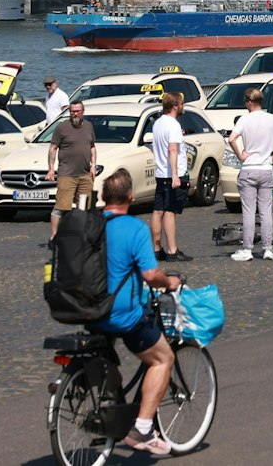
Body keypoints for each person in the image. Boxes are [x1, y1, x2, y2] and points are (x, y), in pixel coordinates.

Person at [97, 168, 183, 457]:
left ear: (102, 197)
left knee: (107, 359)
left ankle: (112, 402)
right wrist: (169, 281)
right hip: (121, 314)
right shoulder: (134, 229)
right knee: (163, 359)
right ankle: (143, 428)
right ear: (131, 198)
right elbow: (149, 274)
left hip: (87, 311)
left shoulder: (90, 226)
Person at [228, 86, 273, 260]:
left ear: (250, 102)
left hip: (249, 168)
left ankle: (248, 249)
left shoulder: (244, 120)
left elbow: (231, 139)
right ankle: (267, 248)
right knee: (266, 211)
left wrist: (240, 155)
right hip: (266, 169)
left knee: (249, 211)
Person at [148, 92, 191, 262]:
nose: (183, 106)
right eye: (182, 103)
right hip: (173, 174)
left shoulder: (158, 123)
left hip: (160, 173)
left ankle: (156, 249)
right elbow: (172, 149)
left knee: (158, 211)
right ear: (175, 106)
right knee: (170, 211)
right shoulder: (172, 124)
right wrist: (175, 175)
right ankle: (173, 250)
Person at [47, 99, 99, 239]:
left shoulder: (88, 126)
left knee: (84, 208)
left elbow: (92, 147)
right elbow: (53, 148)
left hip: (85, 175)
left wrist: (93, 166)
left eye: (78, 111)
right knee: (61, 207)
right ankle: (54, 237)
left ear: (83, 112)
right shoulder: (62, 127)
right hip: (66, 175)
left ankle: (82, 237)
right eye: (72, 112)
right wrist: (51, 169)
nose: (75, 114)